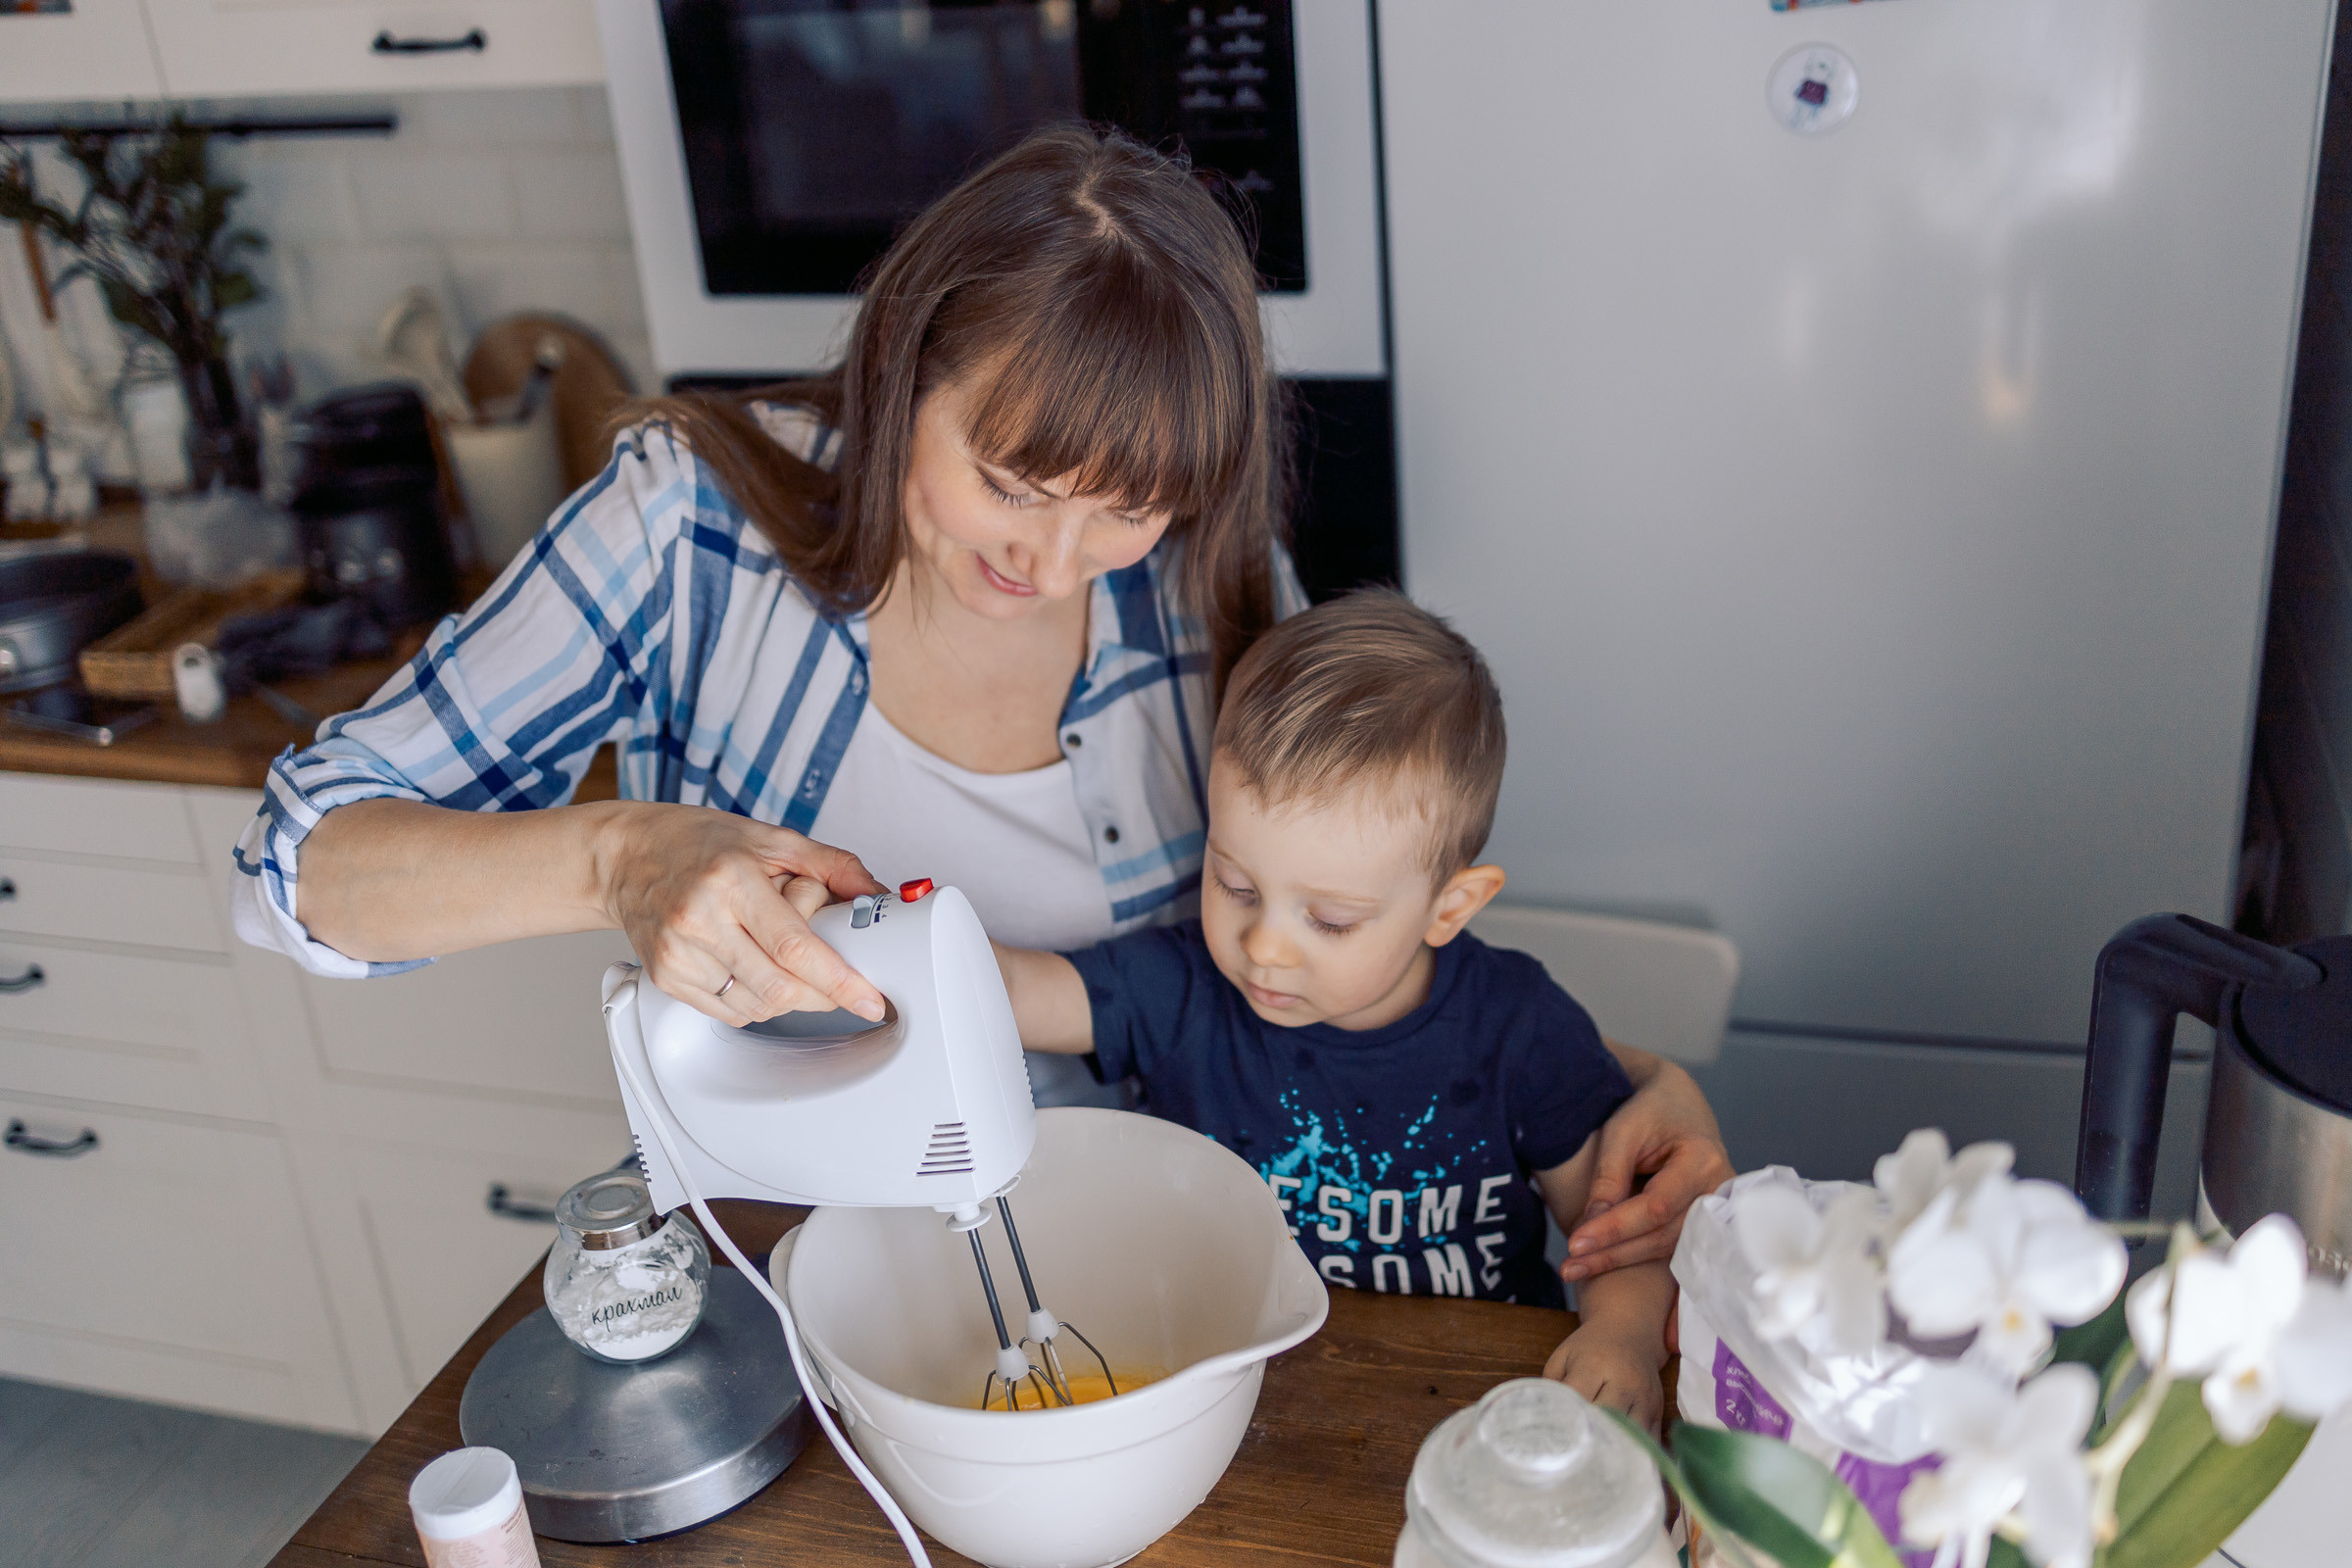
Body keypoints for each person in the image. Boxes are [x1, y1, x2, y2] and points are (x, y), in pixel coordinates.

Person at [228, 122, 1724, 1275]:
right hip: (804, 1266)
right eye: (1007, 481)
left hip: (1160, 1258)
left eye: (1121, 510)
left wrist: (1612, 1095)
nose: (1053, 559)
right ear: (900, 370)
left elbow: (1313, 956)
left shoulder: (1206, 565)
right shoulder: (686, 528)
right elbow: (301, 871)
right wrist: (620, 858)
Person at [988, 591, 1677, 1424]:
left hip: (1472, 1406)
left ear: (1448, 908)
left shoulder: (1519, 1027)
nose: (1265, 946)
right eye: (1235, 884)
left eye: (1331, 919)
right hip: (1236, 1403)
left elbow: (1621, 1229)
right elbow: (1017, 992)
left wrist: (1626, 1333)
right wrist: (875, 942)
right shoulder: (1180, 988)